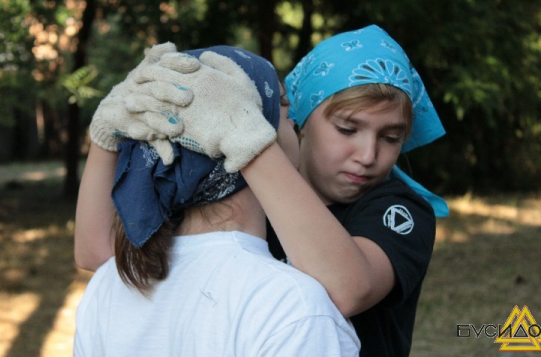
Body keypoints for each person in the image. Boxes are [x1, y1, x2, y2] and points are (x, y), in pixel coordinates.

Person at [109, 24, 449, 356]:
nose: (367, 155)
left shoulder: (400, 209)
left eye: (391, 138)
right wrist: (105, 134)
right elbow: (103, 253)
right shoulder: (250, 198)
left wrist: (245, 137)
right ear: (299, 120)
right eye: (347, 129)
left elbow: (347, 289)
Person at [73, 45, 360, 356]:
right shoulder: (293, 306)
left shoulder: (108, 285)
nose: (294, 123)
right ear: (250, 126)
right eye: (282, 106)